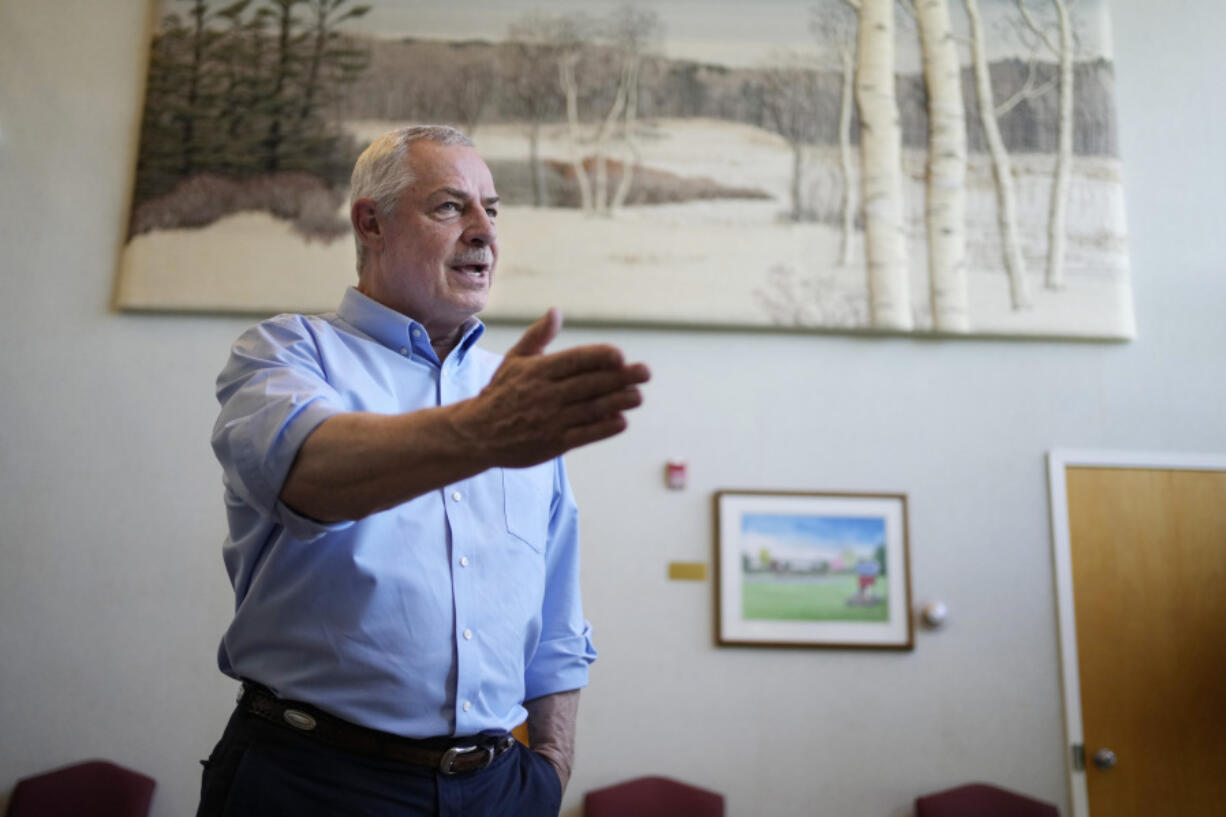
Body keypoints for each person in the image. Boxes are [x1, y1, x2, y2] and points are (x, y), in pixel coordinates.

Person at [197, 125, 650, 817]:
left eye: (492, 209)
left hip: (501, 787)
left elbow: (556, 613)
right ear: (370, 223)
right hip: (315, 782)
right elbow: (310, 474)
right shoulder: (288, 351)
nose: (483, 232)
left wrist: (551, 767)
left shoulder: (515, 391)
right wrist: (480, 432)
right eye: (450, 207)